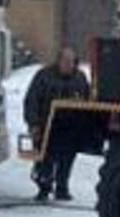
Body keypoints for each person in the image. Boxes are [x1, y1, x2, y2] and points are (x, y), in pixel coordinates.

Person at [24, 46, 91, 202]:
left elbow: (87, 99)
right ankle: (44, 188)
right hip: (46, 125)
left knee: (66, 159)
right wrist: (33, 123)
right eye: (66, 61)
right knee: (45, 159)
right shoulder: (44, 76)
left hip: (70, 127)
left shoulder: (80, 78)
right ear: (58, 61)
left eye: (72, 61)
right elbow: (31, 101)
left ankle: (62, 188)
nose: (69, 65)